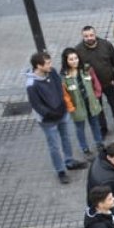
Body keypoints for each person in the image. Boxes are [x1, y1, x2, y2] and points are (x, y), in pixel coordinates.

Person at [25, 51, 87, 183]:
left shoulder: (52, 72)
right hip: (48, 120)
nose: (50, 65)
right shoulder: (32, 85)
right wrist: (52, 113)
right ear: (39, 66)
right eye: (47, 63)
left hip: (61, 113)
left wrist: (62, 106)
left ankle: (69, 161)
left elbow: (59, 88)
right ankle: (60, 171)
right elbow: (37, 105)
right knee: (54, 145)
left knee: (66, 138)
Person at [77, 25, 114, 137]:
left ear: (95, 34)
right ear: (82, 36)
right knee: (98, 108)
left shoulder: (106, 45)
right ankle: (103, 128)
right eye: (86, 36)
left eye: (91, 35)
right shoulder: (78, 50)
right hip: (93, 86)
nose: (89, 38)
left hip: (109, 83)